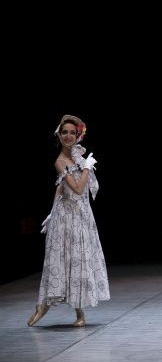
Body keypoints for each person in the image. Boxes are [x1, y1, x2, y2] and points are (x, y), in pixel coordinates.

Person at [28, 115, 109, 327]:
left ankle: (79, 313)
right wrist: (87, 168)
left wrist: (51, 209)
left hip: (82, 214)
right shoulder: (60, 162)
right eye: (65, 132)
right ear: (59, 135)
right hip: (67, 217)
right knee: (66, 259)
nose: (68, 136)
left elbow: (60, 187)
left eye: (72, 132)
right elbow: (78, 188)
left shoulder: (77, 157)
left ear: (78, 135)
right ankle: (43, 305)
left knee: (79, 260)